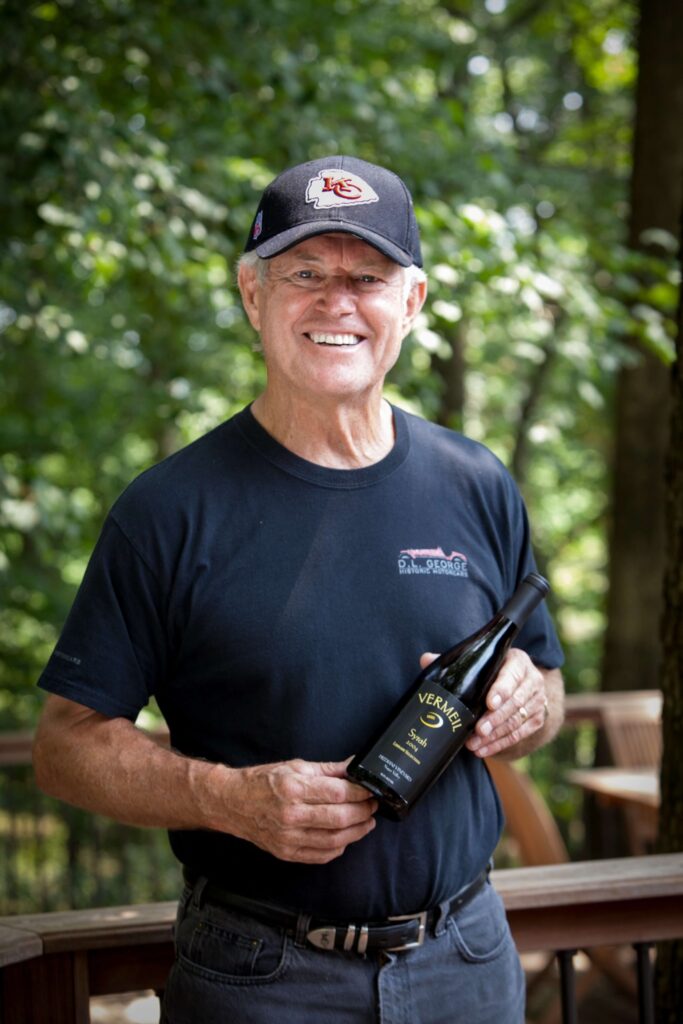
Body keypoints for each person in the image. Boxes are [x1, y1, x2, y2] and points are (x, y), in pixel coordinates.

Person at [33, 155, 565, 1024]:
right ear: (253, 296)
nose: (336, 301)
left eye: (366, 278)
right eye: (303, 274)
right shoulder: (168, 509)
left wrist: (523, 706)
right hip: (260, 976)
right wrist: (228, 800)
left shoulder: (475, 482)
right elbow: (64, 747)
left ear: (412, 303)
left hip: (466, 961)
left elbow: (545, 688)